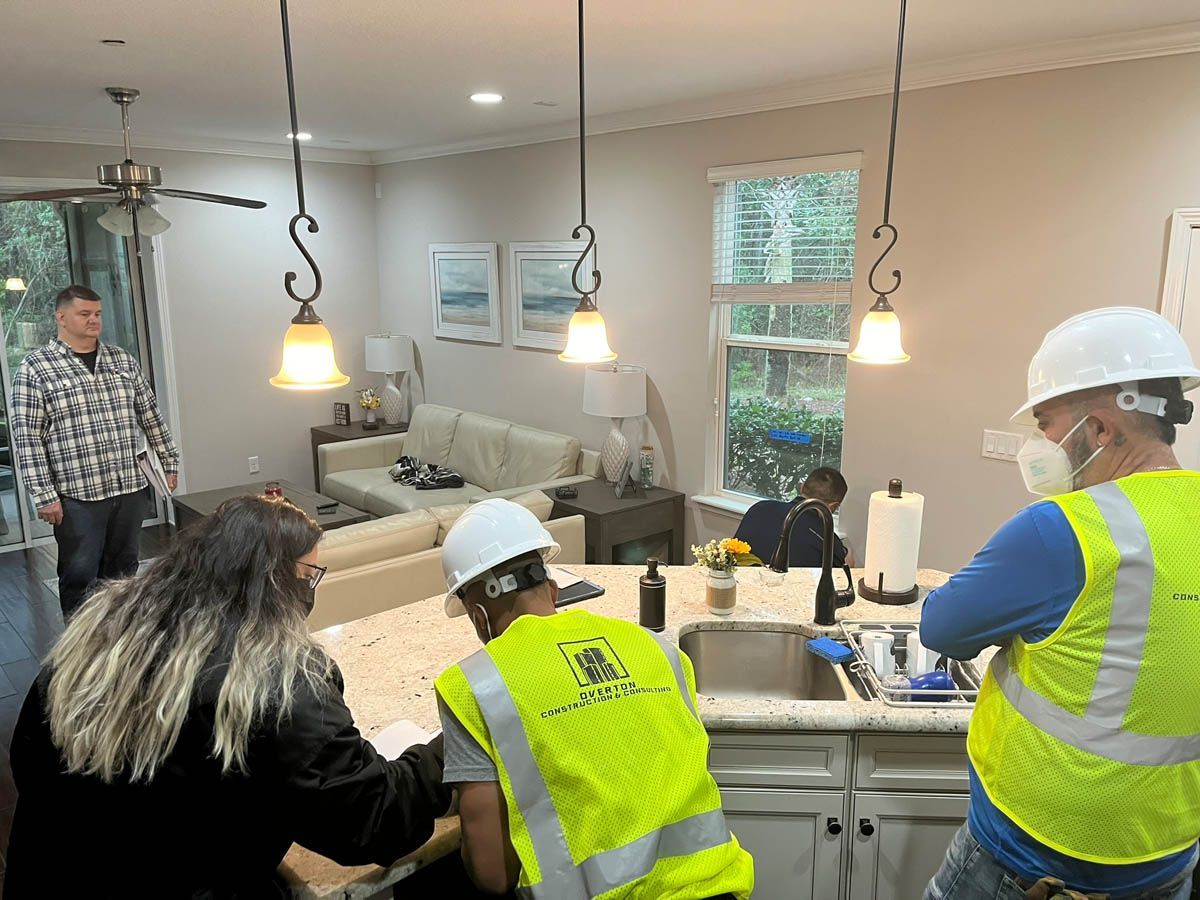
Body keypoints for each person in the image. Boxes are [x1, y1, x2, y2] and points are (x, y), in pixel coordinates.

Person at [5, 495, 452, 898]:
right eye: (307, 577)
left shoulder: (101, 632)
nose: (308, 593)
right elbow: (372, 820)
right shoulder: (275, 680)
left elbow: (25, 758)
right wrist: (449, 748)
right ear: (275, 584)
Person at [920, 307, 1200, 900]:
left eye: (1046, 424)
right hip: (1167, 862)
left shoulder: (1059, 530)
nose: (1040, 444)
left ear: (1100, 430)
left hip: (1028, 867)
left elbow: (941, 627)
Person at [434, 499, 754, 898]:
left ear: (478, 613)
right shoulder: (658, 648)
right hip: (722, 888)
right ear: (552, 587)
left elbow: (492, 873)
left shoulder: (474, 685)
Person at [10, 284, 181, 618]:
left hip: (130, 487)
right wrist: (44, 495)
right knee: (79, 574)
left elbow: (150, 415)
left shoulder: (122, 361)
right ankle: (81, 647)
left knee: (124, 570)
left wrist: (169, 461)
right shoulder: (35, 369)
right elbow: (27, 438)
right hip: (77, 496)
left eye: (98, 314)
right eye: (84, 314)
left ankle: (118, 638)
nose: (94, 321)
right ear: (61, 317)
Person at [734, 466, 852, 567]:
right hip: (787, 592)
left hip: (736, 586)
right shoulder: (828, 540)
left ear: (801, 488)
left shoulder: (759, 508)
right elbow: (839, 577)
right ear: (834, 506)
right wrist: (846, 554)